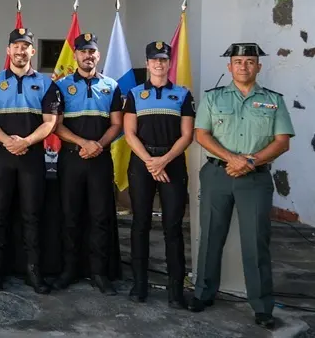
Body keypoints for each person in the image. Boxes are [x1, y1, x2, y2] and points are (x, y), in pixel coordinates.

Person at [189, 43, 294, 329]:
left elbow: (282, 141)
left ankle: (261, 306)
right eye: (238, 61)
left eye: (249, 61)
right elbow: (202, 134)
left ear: (258, 66)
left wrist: (250, 161)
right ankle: (203, 293)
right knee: (210, 235)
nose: (243, 66)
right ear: (229, 67)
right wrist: (232, 159)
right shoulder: (214, 98)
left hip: (255, 178)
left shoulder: (273, 100)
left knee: (256, 241)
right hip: (217, 174)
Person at [0, 28, 60, 294]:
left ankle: (34, 272)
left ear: (32, 51)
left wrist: (25, 142)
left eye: (25, 46)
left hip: (32, 156)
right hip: (2, 157)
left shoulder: (47, 84)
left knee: (32, 216)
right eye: (16, 46)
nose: (20, 51)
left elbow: (50, 123)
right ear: (8, 51)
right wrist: (8, 141)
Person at [123, 41, 194, 307]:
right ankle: (139, 284)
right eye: (154, 60)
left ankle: (175, 289)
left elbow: (187, 135)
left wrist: (162, 161)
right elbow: (129, 133)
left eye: (164, 60)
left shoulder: (183, 94)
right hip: (142, 162)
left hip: (172, 162)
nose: (159, 64)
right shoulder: (135, 94)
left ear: (169, 63)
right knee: (140, 223)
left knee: (172, 227)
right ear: (148, 62)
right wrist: (150, 162)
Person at [51, 33, 123, 295]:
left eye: (92, 51)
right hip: (71, 159)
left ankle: (99, 273)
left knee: (101, 217)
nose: (88, 56)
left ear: (98, 55)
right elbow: (55, 126)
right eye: (83, 51)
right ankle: (69, 270)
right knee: (69, 216)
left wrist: (98, 146)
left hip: (101, 159)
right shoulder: (61, 86)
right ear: (76, 55)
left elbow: (117, 123)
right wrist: (83, 143)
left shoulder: (112, 86)